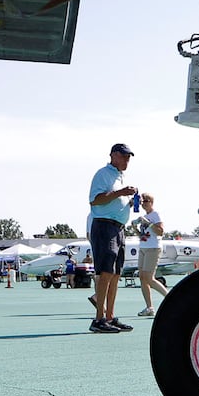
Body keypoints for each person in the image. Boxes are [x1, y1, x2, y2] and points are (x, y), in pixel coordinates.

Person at [88, 142, 137, 334]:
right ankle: (99, 318)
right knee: (106, 272)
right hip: (104, 226)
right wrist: (121, 193)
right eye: (124, 156)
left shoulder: (119, 176)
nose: (127, 160)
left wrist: (128, 200)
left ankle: (109, 317)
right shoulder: (103, 174)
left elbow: (113, 199)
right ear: (113, 155)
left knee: (116, 273)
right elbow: (95, 199)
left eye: (128, 157)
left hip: (118, 228)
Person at [135, 193, 169, 316]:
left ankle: (168, 296)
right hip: (143, 247)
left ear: (151, 202)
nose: (143, 203)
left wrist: (148, 223)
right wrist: (135, 228)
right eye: (142, 201)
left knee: (149, 277)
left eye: (146, 201)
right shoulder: (145, 216)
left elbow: (160, 232)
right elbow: (143, 235)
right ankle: (149, 307)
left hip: (153, 248)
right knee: (142, 277)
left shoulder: (155, 215)